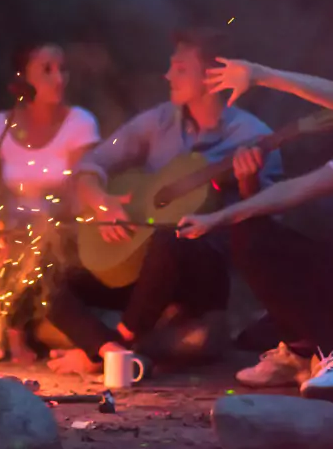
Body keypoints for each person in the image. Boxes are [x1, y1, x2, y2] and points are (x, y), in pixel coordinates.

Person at [45, 28, 283, 374]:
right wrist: (101, 202)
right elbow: (92, 163)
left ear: (214, 76)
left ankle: (114, 349)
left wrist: (247, 182)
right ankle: (107, 349)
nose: (168, 75)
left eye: (181, 68)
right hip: (141, 272)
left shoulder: (255, 136)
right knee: (51, 275)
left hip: (201, 276)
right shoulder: (159, 121)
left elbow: (264, 230)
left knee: (172, 237)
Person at [178, 55, 333, 401]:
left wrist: (263, 74)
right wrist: (218, 217)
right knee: (251, 237)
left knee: (263, 252)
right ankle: (303, 353)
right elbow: (291, 190)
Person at [0, 41, 100, 362]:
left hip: (63, 231)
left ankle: (15, 335)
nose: (58, 79)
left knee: (31, 237)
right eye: (46, 70)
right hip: (11, 231)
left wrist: (37, 217)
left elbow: (80, 191)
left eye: (62, 69)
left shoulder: (80, 124)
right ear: (22, 78)